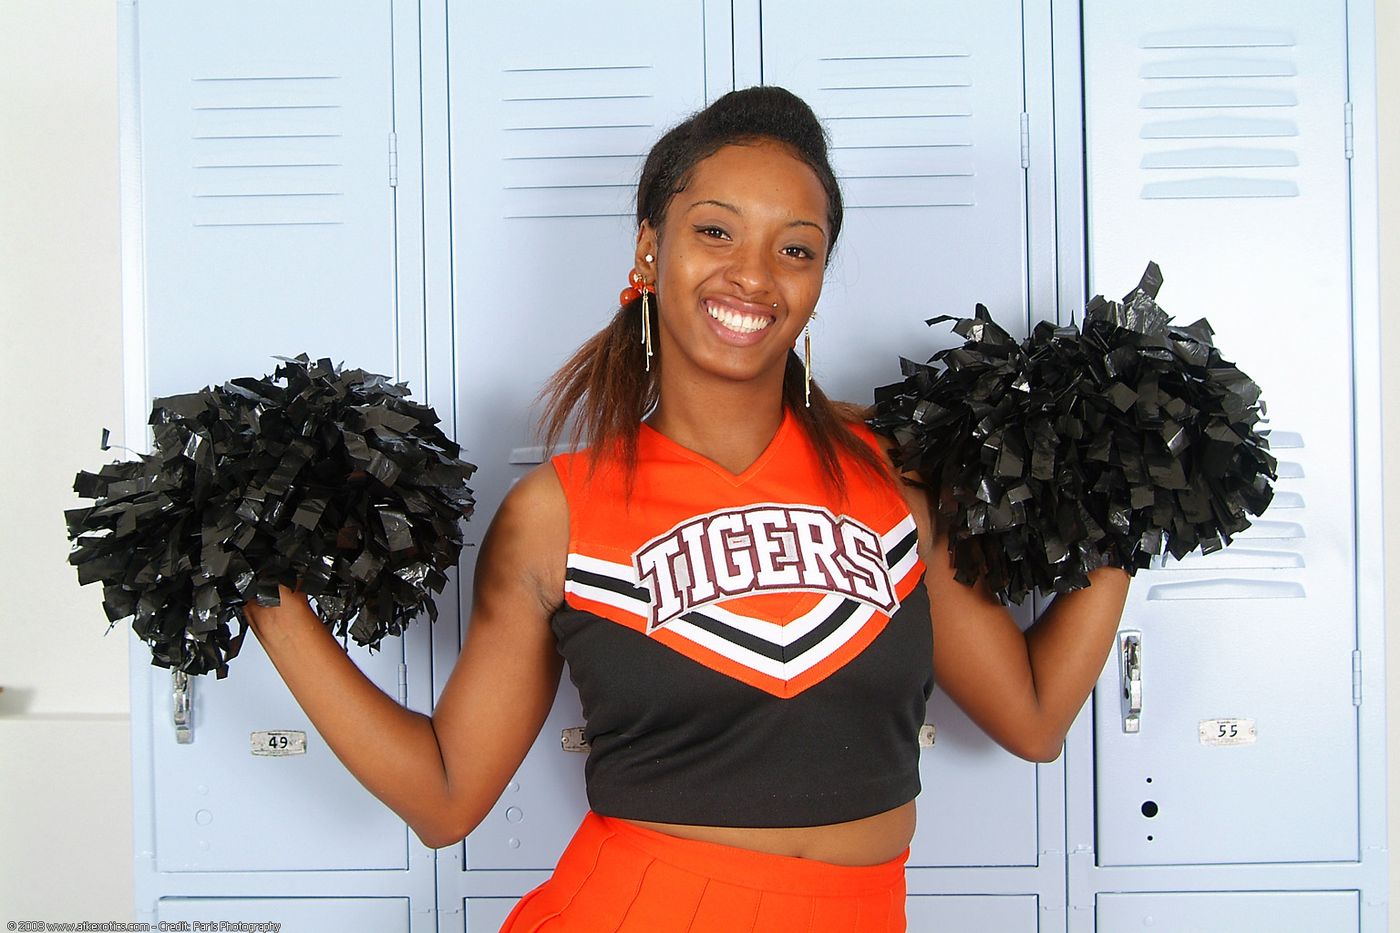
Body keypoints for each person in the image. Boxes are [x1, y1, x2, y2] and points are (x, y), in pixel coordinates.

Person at [242, 85, 1130, 932]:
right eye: (715, 231)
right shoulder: (556, 514)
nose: (753, 276)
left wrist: (1132, 495)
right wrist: (258, 585)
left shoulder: (897, 479)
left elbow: (1034, 717)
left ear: (820, 277)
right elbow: (445, 797)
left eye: (796, 248)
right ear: (649, 250)